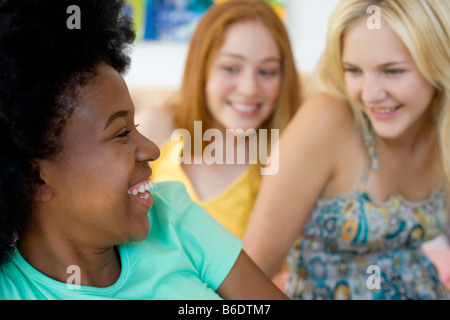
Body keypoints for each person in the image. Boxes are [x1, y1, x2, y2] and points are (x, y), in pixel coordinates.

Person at [0, 0, 288, 300]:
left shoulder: (172, 216)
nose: (151, 149)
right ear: (35, 178)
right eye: (122, 132)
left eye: (135, 126)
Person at [243, 0, 450, 300]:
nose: (369, 94)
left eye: (392, 71)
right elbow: (249, 278)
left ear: (439, 62)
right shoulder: (327, 119)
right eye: (354, 70)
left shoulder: (441, 129)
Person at [135, 0, 301, 239]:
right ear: (201, 70)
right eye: (230, 68)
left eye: (267, 72)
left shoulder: (284, 156)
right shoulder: (156, 127)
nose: (249, 89)